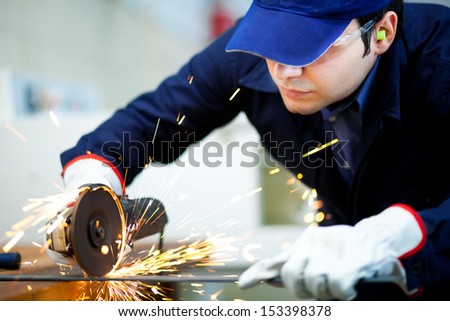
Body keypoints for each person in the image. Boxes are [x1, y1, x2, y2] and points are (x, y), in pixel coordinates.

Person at [60, 0, 450, 300]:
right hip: (346, 273)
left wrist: (397, 235)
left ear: (381, 33)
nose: (285, 72)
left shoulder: (441, 60)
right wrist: (92, 188)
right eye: (273, 44)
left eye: (307, 48)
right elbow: (146, 124)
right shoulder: (245, 58)